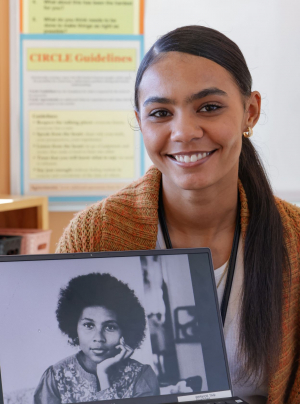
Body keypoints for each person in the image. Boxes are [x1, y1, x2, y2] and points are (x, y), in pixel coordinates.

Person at [56, 26, 300, 404]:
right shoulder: (94, 234)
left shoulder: (295, 239)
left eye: (209, 107)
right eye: (160, 113)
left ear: (250, 112)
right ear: (140, 120)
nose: (184, 132)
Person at [34, 273, 159, 403]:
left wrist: (103, 375)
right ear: (74, 327)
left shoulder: (141, 376)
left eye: (110, 327)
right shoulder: (55, 377)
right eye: (89, 325)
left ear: (125, 331)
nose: (98, 338)